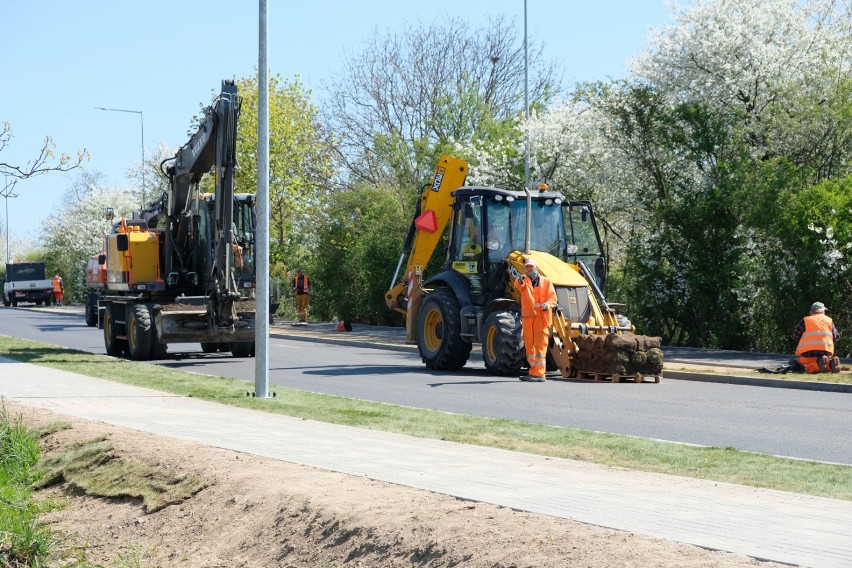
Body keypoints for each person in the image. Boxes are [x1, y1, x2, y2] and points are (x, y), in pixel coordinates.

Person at [512, 257, 558, 382]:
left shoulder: (546, 281)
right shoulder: (523, 280)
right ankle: (533, 371)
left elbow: (552, 298)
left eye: (531, 267)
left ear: (536, 268)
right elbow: (517, 284)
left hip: (541, 318)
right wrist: (520, 279)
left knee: (540, 345)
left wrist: (547, 305)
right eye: (527, 267)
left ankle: (539, 373)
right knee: (529, 345)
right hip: (528, 318)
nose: (529, 269)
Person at [791, 301, 840, 374]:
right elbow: (836, 337)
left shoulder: (806, 320)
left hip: (808, 353)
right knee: (826, 361)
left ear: (812, 312)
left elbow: (796, 335)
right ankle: (830, 364)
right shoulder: (829, 320)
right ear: (822, 311)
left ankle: (818, 364)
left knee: (803, 366)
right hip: (826, 352)